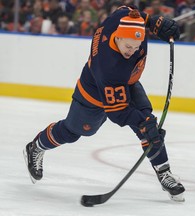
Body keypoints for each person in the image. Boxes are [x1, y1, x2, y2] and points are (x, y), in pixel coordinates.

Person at [23, 5, 185, 202]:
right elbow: (117, 112)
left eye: (137, 46)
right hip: (92, 95)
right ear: (117, 37)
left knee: (146, 121)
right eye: (128, 47)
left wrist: (152, 21)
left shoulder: (122, 20)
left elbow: (129, 11)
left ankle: (164, 172)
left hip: (128, 83)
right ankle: (36, 146)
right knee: (73, 132)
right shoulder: (109, 65)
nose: (133, 51)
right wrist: (144, 123)